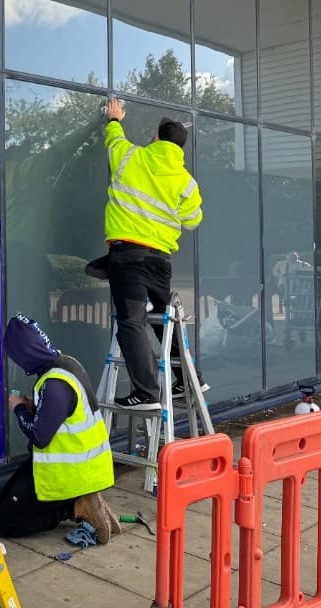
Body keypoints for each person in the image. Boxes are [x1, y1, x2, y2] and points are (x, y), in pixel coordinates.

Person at [103, 98, 203, 410]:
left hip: (127, 258)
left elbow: (113, 140)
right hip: (160, 262)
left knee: (131, 322)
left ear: (157, 138)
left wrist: (114, 118)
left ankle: (146, 393)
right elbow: (193, 220)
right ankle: (189, 381)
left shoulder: (130, 157)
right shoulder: (186, 182)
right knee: (162, 320)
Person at [0, 314, 120, 543]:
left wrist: (19, 408)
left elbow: (40, 436)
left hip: (69, 471)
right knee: (3, 502)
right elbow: (61, 417)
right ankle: (80, 502)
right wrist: (35, 409)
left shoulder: (55, 384)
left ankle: (76, 507)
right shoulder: (65, 364)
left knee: (7, 521)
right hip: (78, 466)